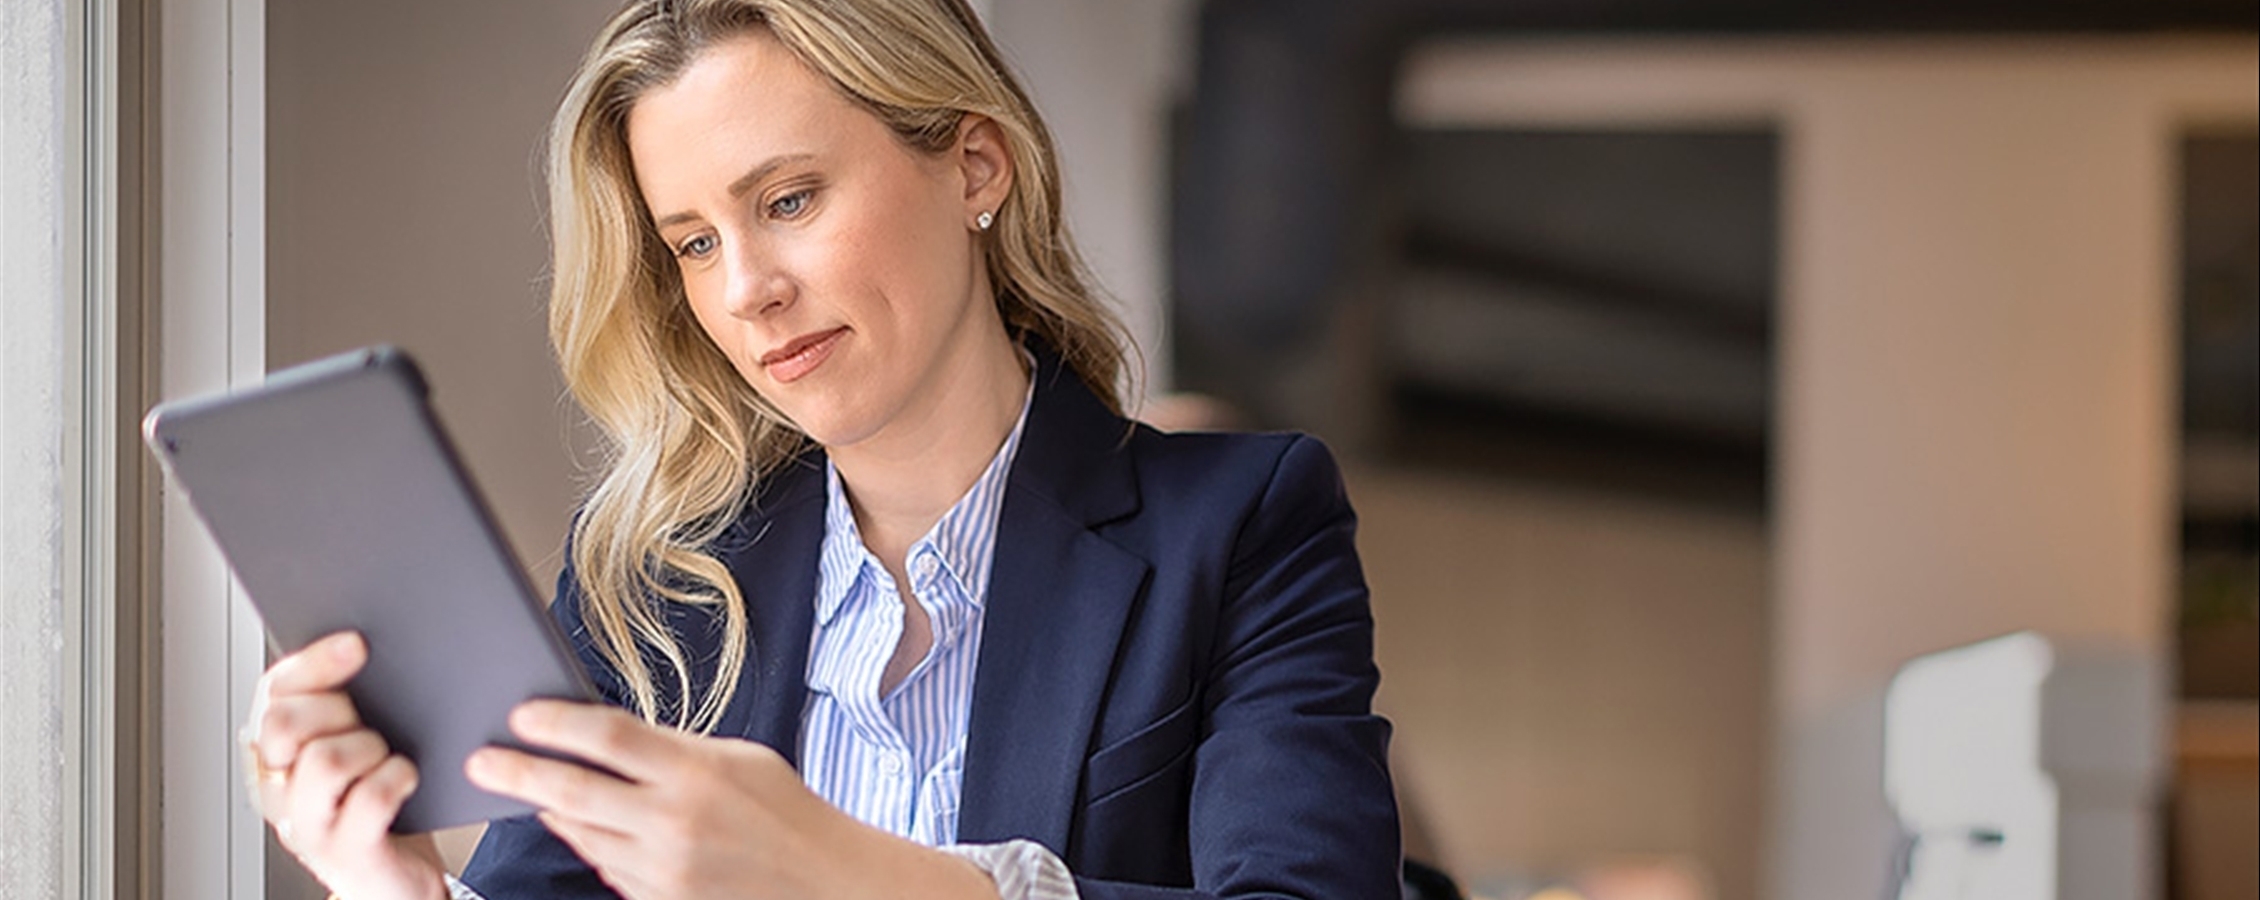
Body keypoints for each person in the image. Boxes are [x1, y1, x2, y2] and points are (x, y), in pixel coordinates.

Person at [238, 0, 1399, 897]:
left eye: (788, 200)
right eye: (692, 242)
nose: (745, 292)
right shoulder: (649, 586)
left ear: (974, 167)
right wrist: (389, 884)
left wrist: (835, 871)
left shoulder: (1244, 524)